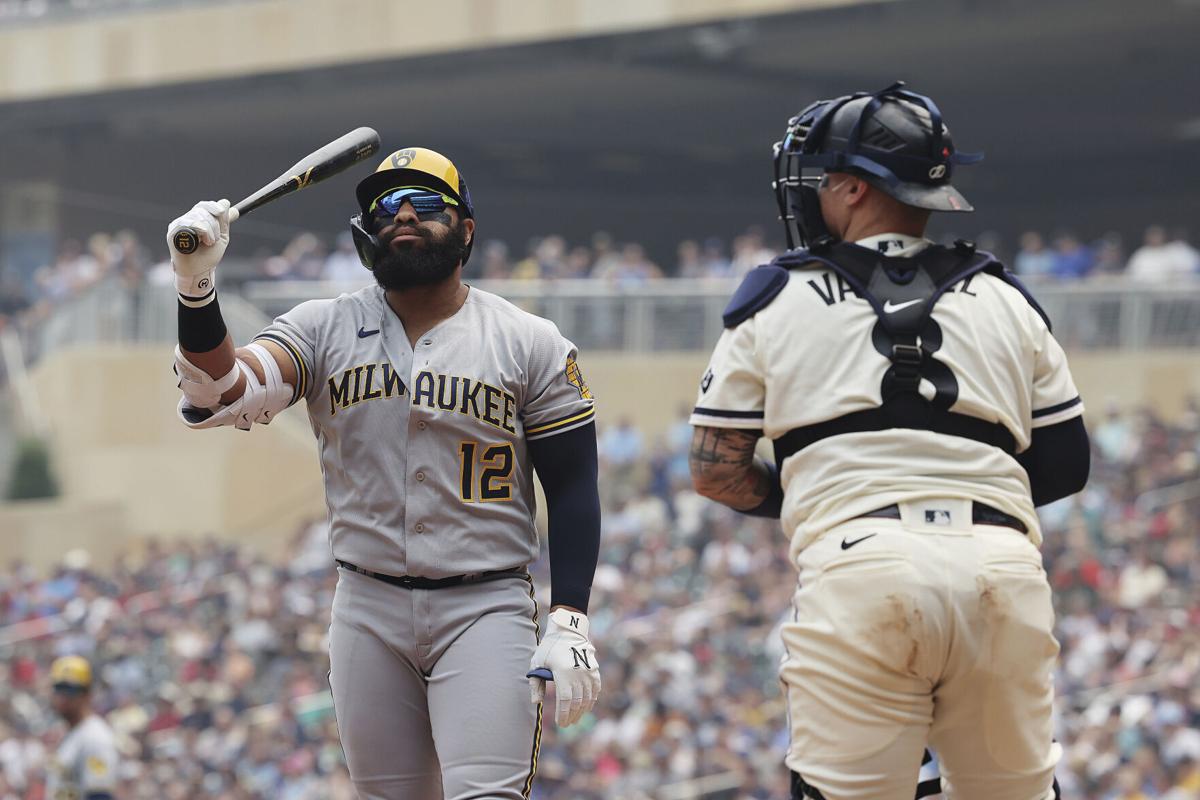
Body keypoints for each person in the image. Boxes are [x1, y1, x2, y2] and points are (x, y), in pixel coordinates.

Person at [688, 82, 1090, 800]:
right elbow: (1066, 463)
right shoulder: (1007, 298)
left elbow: (714, 470)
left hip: (859, 567)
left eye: (816, 180)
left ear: (848, 189)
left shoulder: (774, 296)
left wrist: (823, 491)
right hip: (1001, 569)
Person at [165, 146, 603, 800]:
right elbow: (218, 392)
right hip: (367, 605)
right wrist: (195, 284)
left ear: (467, 229)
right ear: (364, 231)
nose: (401, 214)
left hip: (484, 603)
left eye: (425, 203)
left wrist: (570, 616)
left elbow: (571, 487)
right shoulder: (320, 327)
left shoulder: (529, 340)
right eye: (384, 206)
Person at [45, 655, 119, 800]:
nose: (62, 697)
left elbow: (100, 795)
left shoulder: (95, 736)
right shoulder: (72, 733)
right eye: (58, 689)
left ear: (87, 694)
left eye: (70, 690)